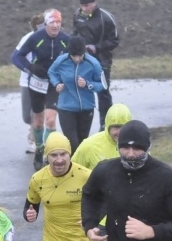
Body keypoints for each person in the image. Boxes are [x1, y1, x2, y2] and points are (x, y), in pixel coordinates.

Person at [72, 103, 133, 241]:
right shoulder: (90, 146)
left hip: (127, 217)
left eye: (123, 126)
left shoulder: (133, 146)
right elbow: (72, 170)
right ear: (107, 125)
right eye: (114, 126)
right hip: (100, 218)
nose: (118, 131)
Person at [12, 9, 72, 170]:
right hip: (37, 83)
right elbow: (16, 57)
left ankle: (49, 151)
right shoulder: (35, 38)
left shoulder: (66, 39)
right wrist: (30, 68)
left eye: (58, 22)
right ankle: (39, 148)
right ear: (46, 24)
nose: (55, 25)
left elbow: (76, 57)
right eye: (52, 22)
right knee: (37, 123)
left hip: (54, 83)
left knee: (51, 119)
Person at [48, 35, 106, 154]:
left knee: (82, 143)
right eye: (74, 56)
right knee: (72, 143)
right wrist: (57, 83)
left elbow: (103, 85)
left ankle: (81, 170)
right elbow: (51, 72)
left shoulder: (93, 63)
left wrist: (88, 84)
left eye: (79, 55)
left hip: (86, 108)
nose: (77, 58)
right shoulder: (61, 60)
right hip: (66, 107)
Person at [73, 0, 120, 131]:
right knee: (79, 89)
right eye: (82, 6)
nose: (84, 9)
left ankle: (106, 126)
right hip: (82, 60)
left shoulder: (106, 18)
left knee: (103, 93)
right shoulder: (77, 14)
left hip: (102, 61)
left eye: (87, 5)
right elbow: (74, 33)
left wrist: (96, 47)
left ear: (94, 3)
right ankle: (80, 126)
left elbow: (114, 40)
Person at [15, 13, 47, 154]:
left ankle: (35, 141)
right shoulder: (28, 38)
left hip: (43, 83)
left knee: (37, 113)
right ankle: (33, 130)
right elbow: (15, 57)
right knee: (26, 117)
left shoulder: (51, 39)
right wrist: (28, 69)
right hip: (26, 81)